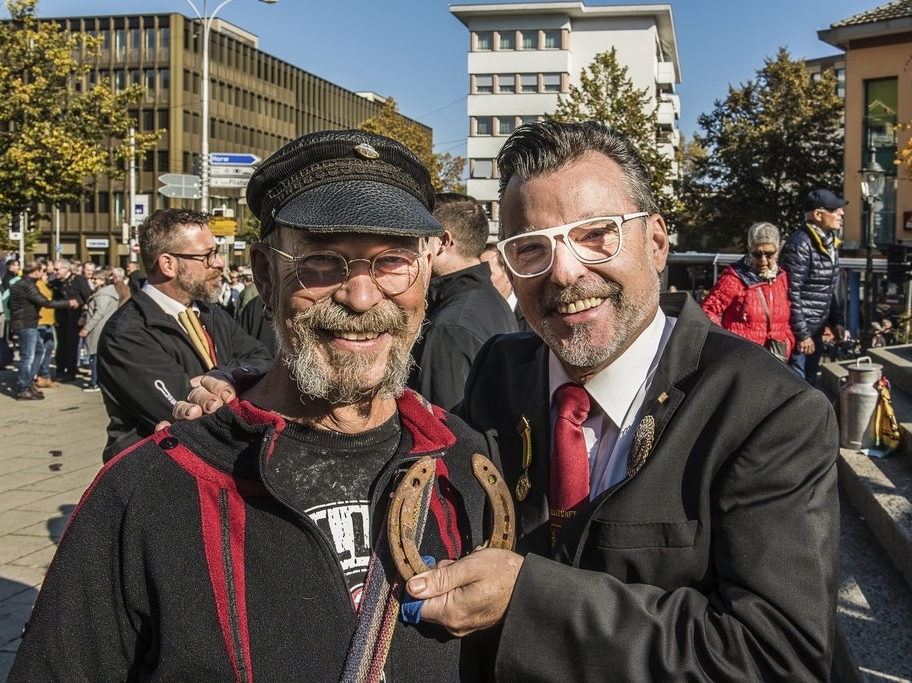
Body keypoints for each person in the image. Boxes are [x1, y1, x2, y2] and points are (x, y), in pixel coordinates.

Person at [184, 121, 842, 682]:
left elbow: (779, 655)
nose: (564, 272)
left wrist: (529, 597)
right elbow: (401, 437)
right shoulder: (503, 370)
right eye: (532, 249)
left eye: (596, 235)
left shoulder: (769, 410)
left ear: (658, 242)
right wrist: (254, 392)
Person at [8, 130, 495, 683]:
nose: (361, 297)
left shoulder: (465, 464)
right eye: (321, 261)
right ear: (265, 274)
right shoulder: (150, 489)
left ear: (425, 273)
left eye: (391, 263)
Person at [95, 208, 273, 461]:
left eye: (217, 253)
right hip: (153, 472)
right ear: (168, 264)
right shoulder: (126, 333)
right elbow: (190, 412)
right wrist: (239, 379)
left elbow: (264, 360)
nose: (219, 263)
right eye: (207, 255)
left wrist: (219, 377)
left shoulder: (211, 313)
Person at [408, 192, 518, 409]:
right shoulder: (494, 301)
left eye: (422, 238)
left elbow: (441, 429)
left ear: (443, 242)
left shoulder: (448, 328)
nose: (416, 250)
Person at [779, 189, 847, 385]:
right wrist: (803, 335)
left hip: (814, 333)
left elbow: (826, 289)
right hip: (801, 337)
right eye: (835, 210)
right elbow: (791, 293)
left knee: (809, 387)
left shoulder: (829, 245)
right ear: (818, 215)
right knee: (798, 389)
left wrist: (836, 322)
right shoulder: (800, 244)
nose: (841, 213)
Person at [701, 222, 794, 360]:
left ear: (778, 250)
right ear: (749, 249)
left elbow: (788, 313)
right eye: (757, 254)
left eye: (769, 254)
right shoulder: (734, 278)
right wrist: (728, 343)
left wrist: (788, 339)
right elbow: (708, 311)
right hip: (743, 358)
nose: (763, 260)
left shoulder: (781, 278)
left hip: (776, 358)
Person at [6, 261, 77, 400]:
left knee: (40, 350)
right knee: (27, 357)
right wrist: (69, 303)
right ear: (36, 271)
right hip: (26, 325)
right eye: (42, 271)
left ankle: (28, 381)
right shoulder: (28, 285)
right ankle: (23, 387)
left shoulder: (18, 284)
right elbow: (45, 302)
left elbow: (11, 303)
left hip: (26, 322)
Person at [49, 258, 92, 382]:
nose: (55, 272)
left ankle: (71, 371)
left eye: (57, 269)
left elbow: (88, 297)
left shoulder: (78, 280)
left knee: (72, 346)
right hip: (61, 320)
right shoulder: (55, 282)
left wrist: (83, 314)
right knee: (61, 345)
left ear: (65, 269)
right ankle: (60, 369)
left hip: (75, 319)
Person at [79, 270, 119, 392]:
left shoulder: (103, 295)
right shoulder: (106, 293)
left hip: (98, 328)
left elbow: (98, 314)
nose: (93, 281)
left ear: (103, 280)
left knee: (94, 357)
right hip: (103, 327)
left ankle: (95, 382)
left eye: (96, 279)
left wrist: (86, 328)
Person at [480, 244, 531, 332]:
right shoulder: (477, 315)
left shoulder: (532, 315)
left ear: (508, 273)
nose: (481, 279)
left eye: (487, 273)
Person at [34, 260, 58, 388]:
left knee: (49, 347)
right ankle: (39, 375)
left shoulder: (45, 284)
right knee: (40, 349)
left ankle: (44, 374)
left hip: (49, 321)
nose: (46, 273)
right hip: (40, 321)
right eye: (44, 270)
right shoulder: (36, 285)